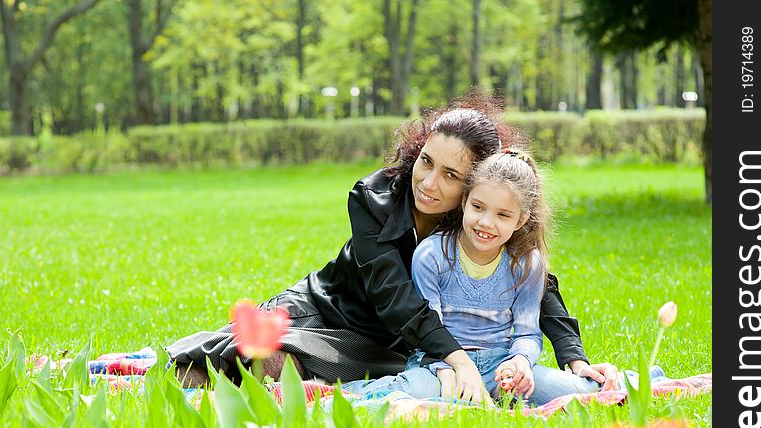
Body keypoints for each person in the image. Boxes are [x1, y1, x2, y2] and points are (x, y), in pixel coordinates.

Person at [167, 91, 618, 403]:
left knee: (386, 369)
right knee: (269, 348)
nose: (428, 182)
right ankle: (229, 367)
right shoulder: (372, 198)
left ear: (475, 185)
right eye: (427, 162)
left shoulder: (481, 215)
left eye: (450, 175)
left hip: (406, 343)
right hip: (333, 313)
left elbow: (538, 281)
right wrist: (456, 359)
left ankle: (275, 370)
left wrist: (574, 360)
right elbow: (391, 295)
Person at [341, 148, 611, 406]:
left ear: (520, 219)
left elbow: (529, 332)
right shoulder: (432, 255)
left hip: (500, 367)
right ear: (464, 202)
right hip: (441, 364)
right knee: (414, 392)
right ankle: (341, 395)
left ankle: (633, 380)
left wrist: (520, 362)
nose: (485, 223)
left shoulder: (527, 263)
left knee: (581, 393)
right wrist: (442, 368)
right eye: (478, 207)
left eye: (503, 214)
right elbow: (427, 328)